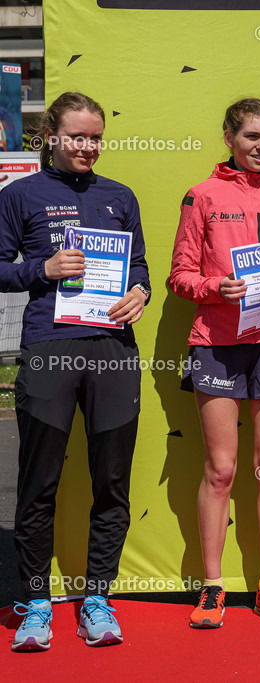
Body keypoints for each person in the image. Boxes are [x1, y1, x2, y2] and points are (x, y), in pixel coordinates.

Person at [1, 92, 151, 651]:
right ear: (51, 138)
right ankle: (36, 601)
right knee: (40, 482)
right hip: (48, 349)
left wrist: (140, 291)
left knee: (111, 481)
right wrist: (40, 268)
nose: (87, 146)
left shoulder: (120, 196)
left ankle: (97, 599)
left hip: (113, 350)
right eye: (77, 136)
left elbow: (140, 265)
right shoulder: (20, 196)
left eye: (95, 137)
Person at [168, 98, 260, 629]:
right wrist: (216, 287)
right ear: (228, 136)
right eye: (251, 136)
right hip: (217, 341)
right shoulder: (201, 195)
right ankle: (212, 587)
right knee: (221, 469)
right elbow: (179, 275)